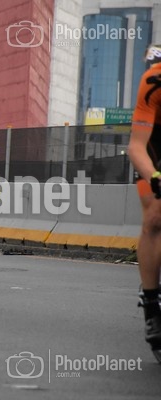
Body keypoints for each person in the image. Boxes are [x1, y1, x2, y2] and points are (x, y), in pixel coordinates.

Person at [127, 43, 161, 351]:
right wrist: (154, 177)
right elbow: (136, 146)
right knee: (154, 215)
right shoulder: (153, 80)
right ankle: (151, 304)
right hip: (155, 145)